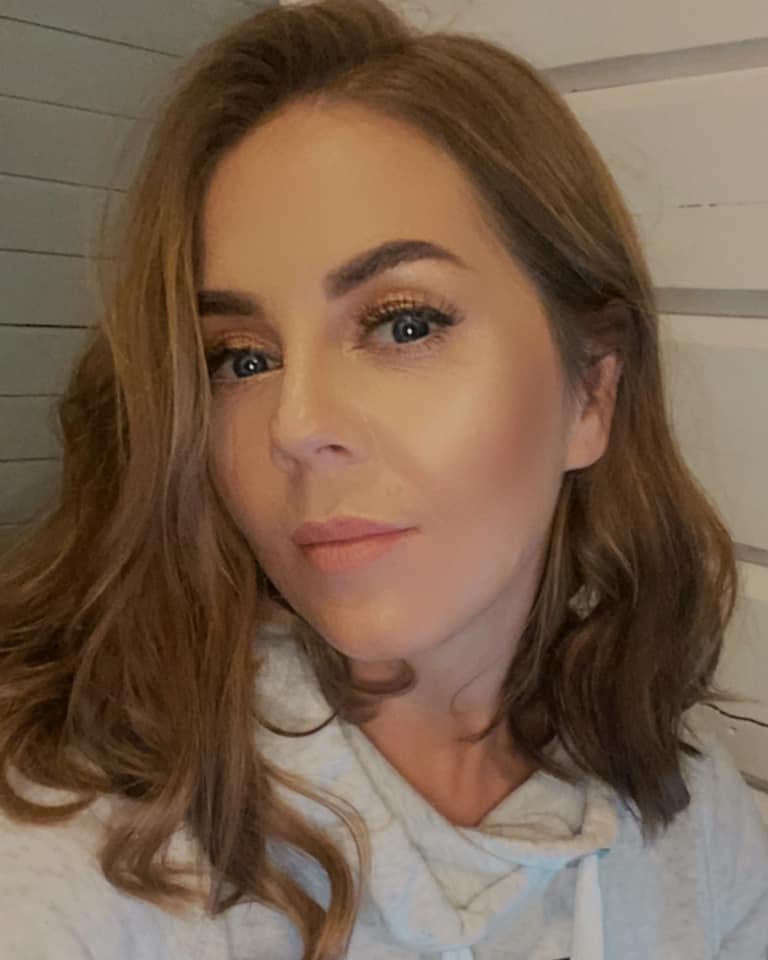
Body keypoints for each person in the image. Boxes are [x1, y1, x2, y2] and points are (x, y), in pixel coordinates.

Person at [0, 0, 766, 957]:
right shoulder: (76, 855)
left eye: (404, 324)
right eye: (240, 357)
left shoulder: (691, 816)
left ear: (591, 395)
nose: (296, 426)